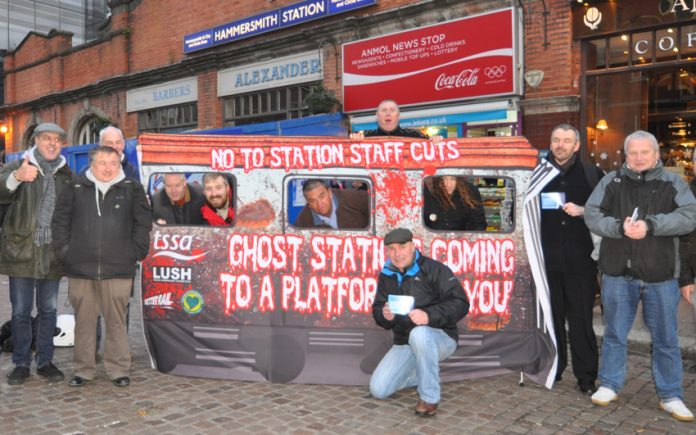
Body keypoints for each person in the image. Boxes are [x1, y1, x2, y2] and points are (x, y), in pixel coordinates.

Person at [584, 130, 696, 422]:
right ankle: (609, 384)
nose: (638, 157)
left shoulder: (673, 182)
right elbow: (592, 213)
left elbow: (689, 216)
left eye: (644, 152)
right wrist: (618, 228)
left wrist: (651, 225)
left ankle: (670, 395)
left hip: (660, 275)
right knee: (615, 334)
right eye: (632, 152)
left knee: (666, 339)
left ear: (656, 154)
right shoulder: (612, 181)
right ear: (626, 155)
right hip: (617, 273)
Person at [52, 146, 152, 387]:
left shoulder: (132, 188)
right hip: (80, 268)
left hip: (118, 267)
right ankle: (83, 370)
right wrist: (66, 252)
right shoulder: (75, 187)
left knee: (116, 321)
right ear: (92, 164)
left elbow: (142, 223)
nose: (108, 168)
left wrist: (135, 253)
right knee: (84, 321)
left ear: (120, 164)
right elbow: (60, 221)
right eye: (102, 163)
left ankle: (118, 369)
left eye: (113, 163)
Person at [0, 122, 73, 385]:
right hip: (22, 250)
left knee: (48, 310)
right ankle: (21, 363)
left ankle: (45, 361)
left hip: (52, 254)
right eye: (46, 139)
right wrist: (17, 177)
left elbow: (72, 213)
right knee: (20, 312)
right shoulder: (19, 166)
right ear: (36, 141)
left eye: (57, 139)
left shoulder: (67, 174)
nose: (53, 143)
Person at [370, 228, 469, 417]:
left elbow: (461, 303)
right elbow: (378, 309)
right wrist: (384, 315)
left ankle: (429, 398)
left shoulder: (434, 269)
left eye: (402, 246)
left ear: (413, 246)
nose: (397, 253)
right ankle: (425, 370)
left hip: (441, 338)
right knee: (379, 389)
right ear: (387, 252)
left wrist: (429, 316)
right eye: (391, 249)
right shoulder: (386, 275)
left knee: (420, 333)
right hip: (405, 342)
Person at [540, 124, 603, 395]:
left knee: (580, 323)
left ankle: (586, 378)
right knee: (550, 321)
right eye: (556, 140)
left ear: (576, 145)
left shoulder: (592, 174)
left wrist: (585, 210)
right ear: (551, 143)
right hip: (546, 262)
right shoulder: (537, 174)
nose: (561, 145)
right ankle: (553, 369)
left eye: (567, 141)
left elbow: (607, 211)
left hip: (580, 263)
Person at [349, 99, 443, 142]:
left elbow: (434, 148)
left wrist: (436, 142)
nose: (388, 113)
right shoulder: (365, 137)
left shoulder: (415, 136)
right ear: (377, 116)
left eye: (392, 110)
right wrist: (354, 140)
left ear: (398, 116)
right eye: (384, 110)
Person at [294, 179, 369, 229]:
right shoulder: (303, 221)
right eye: (313, 200)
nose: (319, 204)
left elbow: (379, 206)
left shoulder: (352, 197)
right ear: (308, 204)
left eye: (322, 196)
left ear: (330, 193)